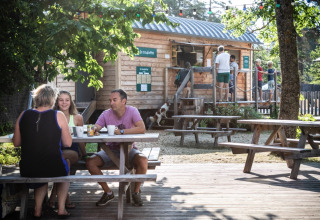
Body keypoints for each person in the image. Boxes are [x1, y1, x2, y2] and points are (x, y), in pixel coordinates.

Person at [12, 84, 72, 218]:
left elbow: (16, 143)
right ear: (52, 99)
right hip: (52, 167)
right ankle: (61, 209)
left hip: (27, 168)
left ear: (36, 98)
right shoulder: (59, 115)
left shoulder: (23, 115)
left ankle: (37, 210)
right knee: (65, 165)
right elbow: (68, 143)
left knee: (41, 167)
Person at [86, 89, 147, 207]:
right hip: (110, 151)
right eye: (110, 100)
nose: (111, 103)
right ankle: (108, 192)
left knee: (143, 160)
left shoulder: (132, 111)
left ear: (123, 101)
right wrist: (94, 130)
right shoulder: (105, 113)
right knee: (90, 162)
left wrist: (122, 132)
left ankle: (136, 192)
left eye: (114, 100)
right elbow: (97, 127)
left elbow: (142, 128)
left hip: (129, 149)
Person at [48, 90, 88, 209]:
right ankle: (66, 200)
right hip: (56, 151)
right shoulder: (52, 116)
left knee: (66, 160)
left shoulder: (77, 118)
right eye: (61, 100)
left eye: (67, 100)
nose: (64, 103)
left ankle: (52, 197)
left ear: (71, 102)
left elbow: (80, 139)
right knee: (66, 164)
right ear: (57, 102)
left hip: (72, 151)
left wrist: (85, 155)